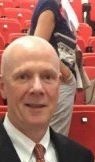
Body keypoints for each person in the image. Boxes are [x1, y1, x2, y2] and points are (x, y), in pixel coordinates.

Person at [30, 0, 78, 135]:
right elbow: (39, 47)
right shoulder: (50, 5)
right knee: (54, 136)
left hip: (56, 80)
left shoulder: (51, 6)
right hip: (58, 80)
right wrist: (66, 73)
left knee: (51, 135)